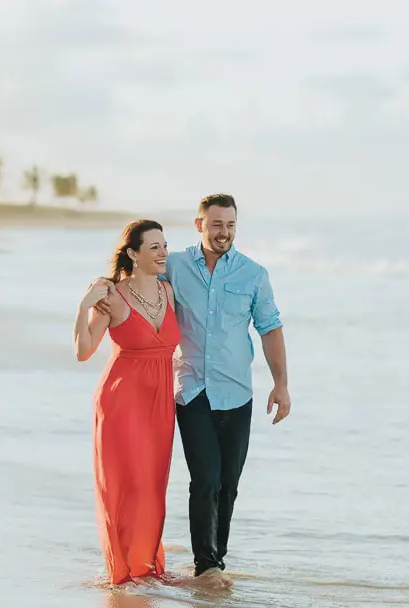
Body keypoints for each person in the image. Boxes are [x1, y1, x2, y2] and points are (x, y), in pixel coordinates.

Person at [94, 194, 290, 584]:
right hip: (191, 390)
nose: (224, 232)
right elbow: (139, 281)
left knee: (228, 485)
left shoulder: (254, 274)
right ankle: (206, 565)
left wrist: (281, 385)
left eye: (231, 225)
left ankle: (218, 556)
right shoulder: (177, 265)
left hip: (237, 393)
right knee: (205, 478)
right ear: (200, 225)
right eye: (217, 224)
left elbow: (270, 328)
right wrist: (104, 286)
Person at [73, 219, 180, 587]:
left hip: (161, 401)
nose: (163, 252)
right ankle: (125, 569)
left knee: (151, 484)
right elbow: (84, 351)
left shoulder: (170, 291)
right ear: (133, 254)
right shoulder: (112, 296)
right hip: (122, 401)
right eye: (154, 247)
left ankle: (145, 565)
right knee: (126, 482)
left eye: (165, 245)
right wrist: (83, 306)